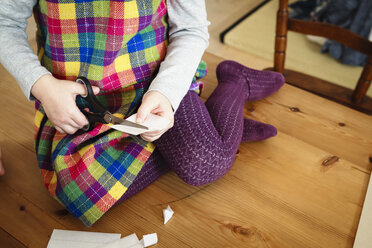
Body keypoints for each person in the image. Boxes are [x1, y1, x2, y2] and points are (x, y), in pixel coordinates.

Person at [0, 0, 284, 226]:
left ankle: (236, 81)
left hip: (156, 84)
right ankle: (215, 123)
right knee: (76, 194)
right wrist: (42, 85)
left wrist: (166, 93)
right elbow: (4, 22)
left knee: (205, 163)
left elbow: (191, 29)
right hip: (74, 104)